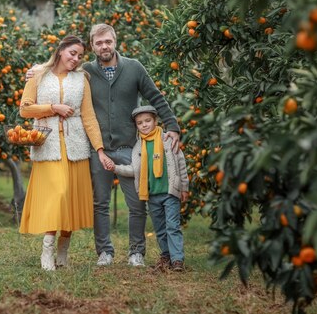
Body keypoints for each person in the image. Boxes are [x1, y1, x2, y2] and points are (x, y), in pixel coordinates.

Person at [28, 24, 180, 267]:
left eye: (108, 41)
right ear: (93, 46)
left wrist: (172, 126)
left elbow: (156, 97)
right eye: (98, 43)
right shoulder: (85, 71)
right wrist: (35, 70)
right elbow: (57, 68)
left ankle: (136, 252)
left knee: (137, 202)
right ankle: (104, 252)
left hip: (131, 147)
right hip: (97, 150)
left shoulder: (133, 67)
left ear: (115, 41)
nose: (104, 46)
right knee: (100, 203)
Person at [18, 35, 113, 271]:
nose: (76, 59)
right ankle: (47, 251)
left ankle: (63, 254)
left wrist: (99, 149)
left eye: (80, 56)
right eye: (72, 53)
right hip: (47, 146)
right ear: (60, 50)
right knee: (58, 196)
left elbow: (88, 117)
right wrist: (53, 108)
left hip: (76, 147)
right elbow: (24, 109)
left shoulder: (82, 79)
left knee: (70, 200)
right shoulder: (38, 75)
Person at [109, 105, 189, 272]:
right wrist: (115, 168)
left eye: (147, 121)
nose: (144, 125)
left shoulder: (167, 139)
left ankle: (177, 260)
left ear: (155, 121)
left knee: (172, 226)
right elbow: (134, 170)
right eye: (140, 123)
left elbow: (180, 163)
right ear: (136, 126)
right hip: (152, 194)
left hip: (169, 192)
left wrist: (184, 187)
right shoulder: (138, 147)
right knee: (160, 228)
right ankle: (166, 255)